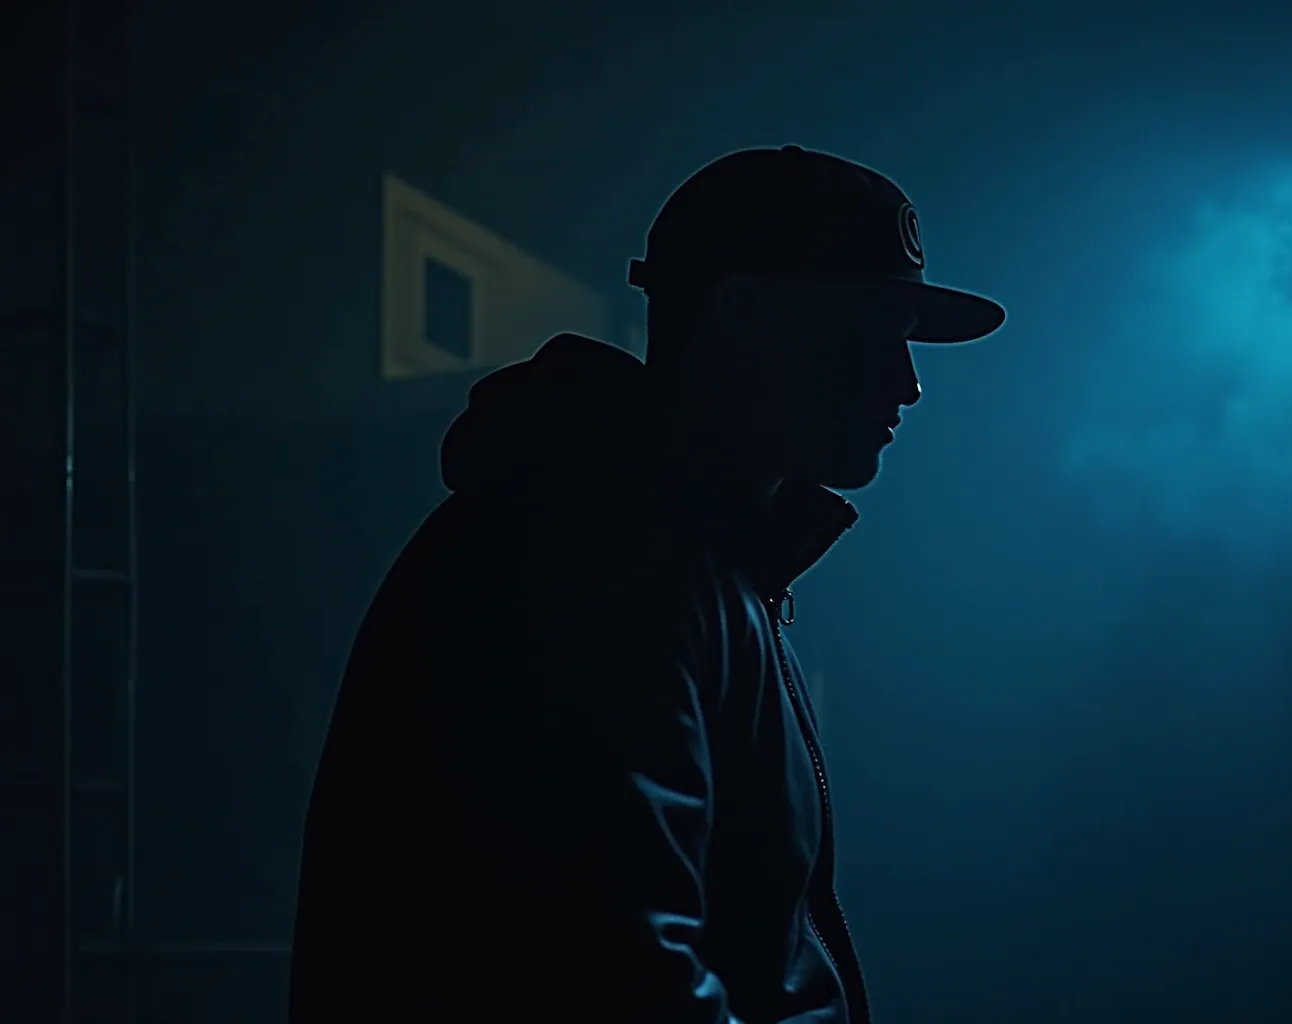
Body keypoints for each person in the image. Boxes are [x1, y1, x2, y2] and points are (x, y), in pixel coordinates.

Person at [287, 145, 1006, 1023]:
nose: (908, 383)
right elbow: (617, 970)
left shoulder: (674, 551)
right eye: (875, 331)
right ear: (740, 312)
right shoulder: (599, 556)